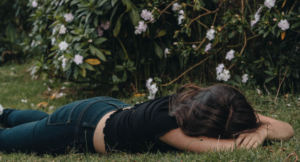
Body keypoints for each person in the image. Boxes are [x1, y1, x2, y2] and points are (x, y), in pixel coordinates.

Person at [0, 84, 294, 155]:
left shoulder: (207, 104)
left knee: (44, 121)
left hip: (106, 109)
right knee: (12, 141)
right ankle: (5, 116)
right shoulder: (164, 126)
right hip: (77, 127)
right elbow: (228, 148)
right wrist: (258, 132)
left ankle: (4, 113)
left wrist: (265, 130)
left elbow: (288, 129)